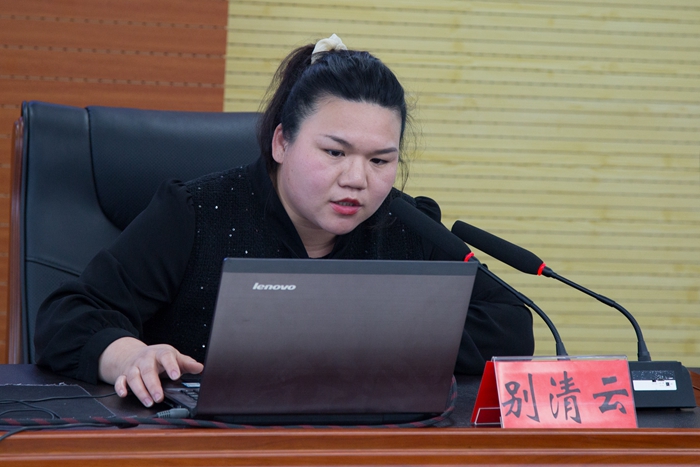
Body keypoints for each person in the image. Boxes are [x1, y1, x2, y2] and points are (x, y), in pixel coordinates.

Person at [34, 35, 534, 408]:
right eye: (334, 152)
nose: (357, 179)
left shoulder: (404, 223)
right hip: (205, 449)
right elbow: (68, 315)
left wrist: (367, 337)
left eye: (380, 160)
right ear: (281, 142)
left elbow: (508, 325)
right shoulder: (195, 214)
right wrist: (125, 355)